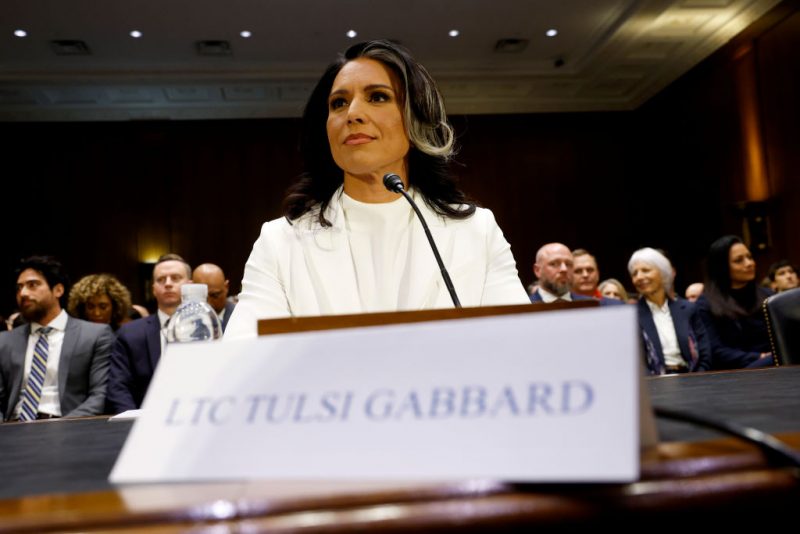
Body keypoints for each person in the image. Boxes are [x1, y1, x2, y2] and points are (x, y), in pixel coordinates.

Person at [224, 40, 529, 339]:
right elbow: (243, 357)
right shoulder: (280, 241)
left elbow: (518, 344)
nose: (352, 113)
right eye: (338, 103)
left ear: (416, 117)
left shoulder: (477, 231)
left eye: (378, 97)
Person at [0, 256, 114, 421]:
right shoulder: (4, 341)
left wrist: (61, 427)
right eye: (19, 288)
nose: (23, 293)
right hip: (13, 428)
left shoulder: (94, 335)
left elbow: (99, 396)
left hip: (69, 427)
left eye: (33, 285)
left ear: (58, 290)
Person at [106, 254, 192, 413]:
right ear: (153, 289)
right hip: (143, 420)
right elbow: (118, 387)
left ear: (190, 285)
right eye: (161, 279)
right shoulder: (130, 334)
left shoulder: (207, 329)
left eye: (175, 278)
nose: (168, 284)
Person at [694, 236, 774, 370]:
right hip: (736, 372)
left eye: (749, 257)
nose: (749, 263)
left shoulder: (769, 297)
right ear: (721, 267)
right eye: (739, 261)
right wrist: (760, 357)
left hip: (777, 365)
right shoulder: (705, 305)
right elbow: (716, 351)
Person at [628, 248, 710, 375]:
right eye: (634, 273)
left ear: (662, 273)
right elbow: (633, 361)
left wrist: (696, 379)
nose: (639, 277)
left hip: (692, 380)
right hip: (654, 385)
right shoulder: (631, 315)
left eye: (645, 270)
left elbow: (705, 354)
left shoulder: (688, 309)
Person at [67, 274, 132, 332]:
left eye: (103, 307)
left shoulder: (125, 335)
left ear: (115, 307)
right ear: (82, 308)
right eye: (90, 307)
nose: (97, 313)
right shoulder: (74, 335)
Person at [192, 263, 236, 331]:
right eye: (202, 297)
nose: (208, 303)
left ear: (226, 287)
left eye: (214, 295)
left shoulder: (241, 317)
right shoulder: (184, 319)